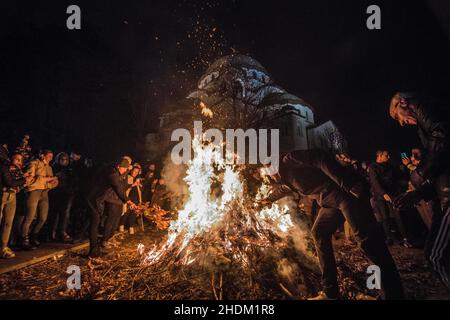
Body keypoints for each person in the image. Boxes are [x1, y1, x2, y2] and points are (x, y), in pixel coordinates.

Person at [259, 149, 404, 300]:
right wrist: (268, 199)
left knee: (368, 243)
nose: (269, 177)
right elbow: (285, 188)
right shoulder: (286, 178)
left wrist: (347, 183)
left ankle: (393, 295)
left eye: (268, 170)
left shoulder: (289, 159)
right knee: (319, 233)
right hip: (331, 203)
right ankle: (330, 293)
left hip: (346, 195)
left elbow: (319, 157)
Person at [389, 92, 450, 289]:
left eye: (398, 116)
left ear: (403, 103)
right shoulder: (425, 124)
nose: (401, 123)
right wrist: (420, 193)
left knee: (436, 255)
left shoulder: (422, 105)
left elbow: (440, 136)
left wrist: (418, 175)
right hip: (443, 193)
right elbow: (441, 166)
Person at [87, 158, 137, 257]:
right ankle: (93, 251)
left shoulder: (113, 170)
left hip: (98, 199)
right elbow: (119, 189)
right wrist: (129, 202)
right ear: (118, 166)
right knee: (94, 223)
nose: (125, 171)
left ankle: (95, 249)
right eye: (124, 169)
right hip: (94, 199)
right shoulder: (112, 174)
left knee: (94, 222)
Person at [368, 150, 412, 247]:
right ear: (379, 156)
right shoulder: (372, 167)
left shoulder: (389, 165)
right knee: (385, 216)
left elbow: (396, 177)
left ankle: (405, 238)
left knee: (398, 214)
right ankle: (389, 237)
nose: (388, 157)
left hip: (393, 194)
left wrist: (404, 169)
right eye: (386, 155)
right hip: (380, 195)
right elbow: (375, 182)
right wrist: (383, 193)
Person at [21, 150, 58, 250]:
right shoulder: (34, 164)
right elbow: (29, 181)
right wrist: (46, 180)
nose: (51, 158)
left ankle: (34, 235)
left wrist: (51, 183)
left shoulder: (49, 167)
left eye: (52, 156)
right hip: (34, 192)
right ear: (42, 155)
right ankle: (24, 240)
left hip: (45, 193)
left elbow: (53, 182)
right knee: (29, 217)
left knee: (43, 218)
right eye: (49, 156)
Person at [0, 153, 27, 258]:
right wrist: (23, 180)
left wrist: (23, 181)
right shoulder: (5, 167)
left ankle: (3, 247)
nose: (19, 162)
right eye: (17, 159)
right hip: (3, 195)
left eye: (20, 160)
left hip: (12, 196)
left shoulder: (18, 171)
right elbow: (9, 182)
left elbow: (20, 185)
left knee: (8, 223)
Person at [48, 152, 75, 242]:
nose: (64, 161)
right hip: (56, 193)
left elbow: (73, 181)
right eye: (62, 159)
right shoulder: (53, 168)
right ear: (58, 159)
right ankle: (52, 233)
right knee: (54, 213)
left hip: (67, 194)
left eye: (66, 159)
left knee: (65, 213)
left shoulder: (70, 169)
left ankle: (62, 232)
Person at [119, 164, 143, 235]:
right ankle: (121, 225)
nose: (135, 173)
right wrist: (133, 184)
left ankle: (131, 226)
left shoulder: (138, 179)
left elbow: (140, 190)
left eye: (137, 172)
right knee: (126, 212)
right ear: (132, 171)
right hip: (129, 198)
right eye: (134, 171)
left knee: (133, 214)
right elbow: (125, 188)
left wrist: (140, 185)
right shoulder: (128, 177)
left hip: (136, 199)